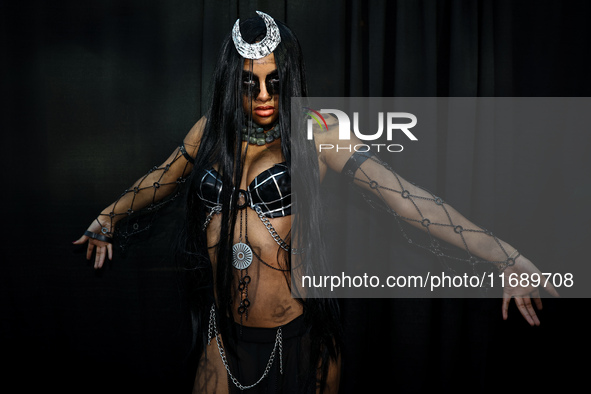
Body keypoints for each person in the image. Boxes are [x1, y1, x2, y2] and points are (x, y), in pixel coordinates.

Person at [73, 11, 558, 394]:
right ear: (232, 82)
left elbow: (411, 203)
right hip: (223, 341)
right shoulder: (209, 133)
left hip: (300, 343)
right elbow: (159, 180)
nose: (263, 96)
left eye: (274, 81)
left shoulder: (319, 134)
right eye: (249, 83)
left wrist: (506, 256)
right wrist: (106, 219)